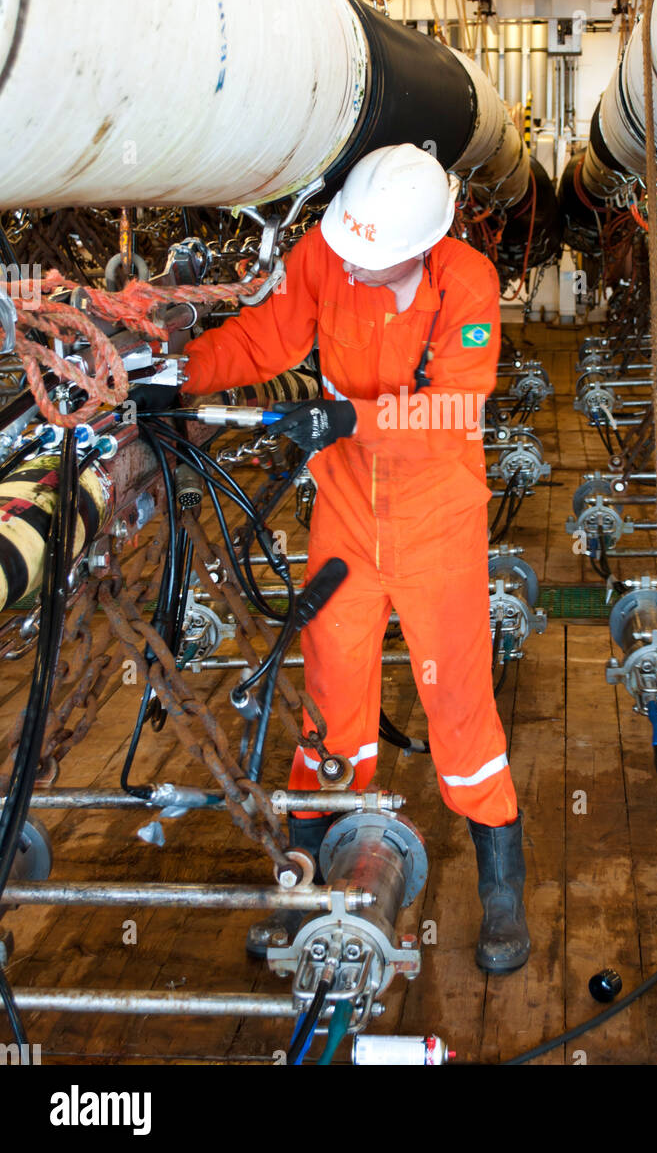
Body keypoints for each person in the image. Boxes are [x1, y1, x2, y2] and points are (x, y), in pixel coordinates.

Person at [181, 143, 530, 974]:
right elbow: (268, 338)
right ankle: (308, 883)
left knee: (459, 709)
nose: (354, 270)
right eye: (350, 254)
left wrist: (345, 422)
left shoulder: (465, 281)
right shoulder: (327, 251)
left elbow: (454, 403)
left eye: (374, 263)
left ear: (420, 246)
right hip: (345, 517)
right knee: (330, 700)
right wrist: (178, 375)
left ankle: (502, 894)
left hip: (437, 523)